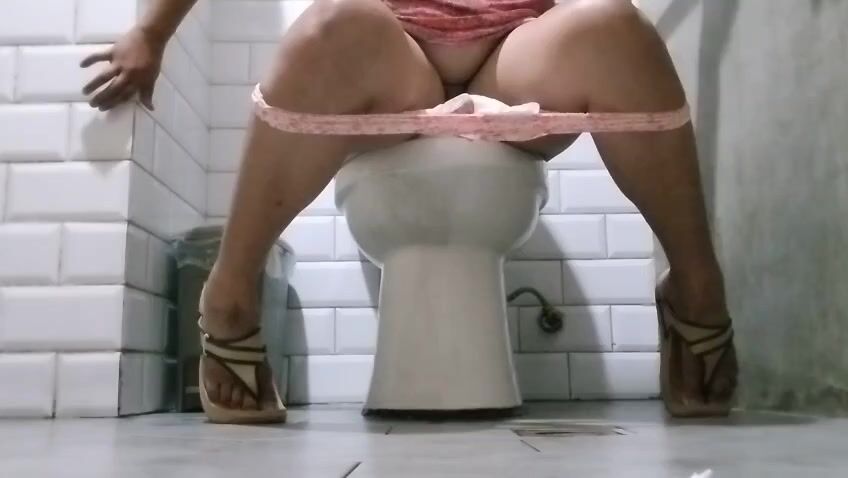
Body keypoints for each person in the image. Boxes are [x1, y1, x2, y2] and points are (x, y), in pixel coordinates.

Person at [81, 0, 738, 424]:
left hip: (520, 55)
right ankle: (229, 295)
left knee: (616, 27)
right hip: (389, 56)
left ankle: (697, 289)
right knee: (328, 26)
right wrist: (153, 30)